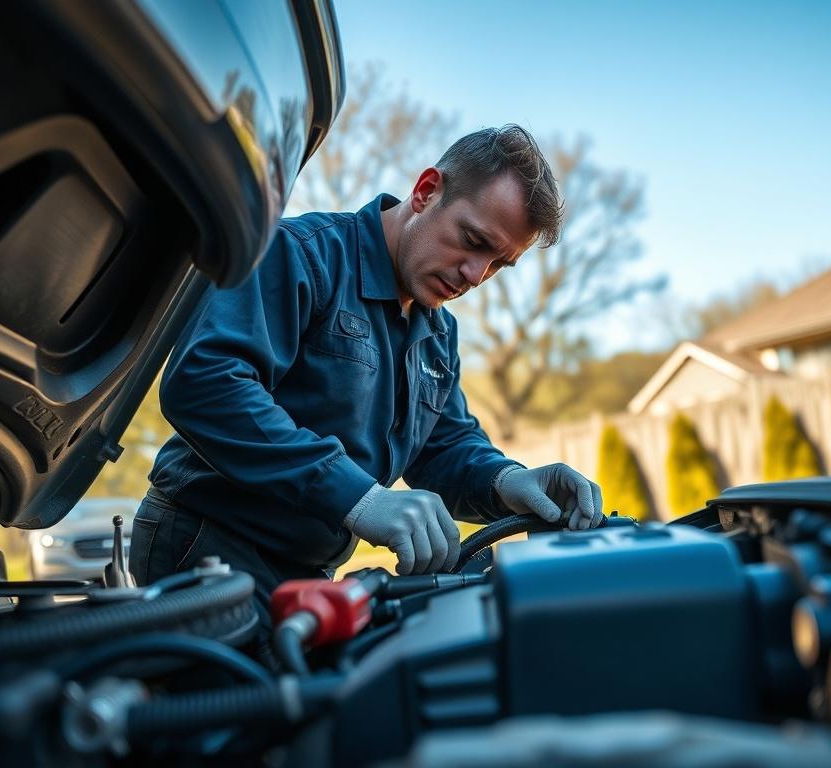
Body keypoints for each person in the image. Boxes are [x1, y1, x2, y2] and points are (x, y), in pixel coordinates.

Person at [128, 124, 603, 627]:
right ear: (425, 192)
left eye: (498, 264)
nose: (475, 275)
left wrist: (507, 480)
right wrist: (357, 496)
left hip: (307, 573)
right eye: (472, 240)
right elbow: (206, 382)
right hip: (207, 546)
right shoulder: (301, 255)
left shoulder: (437, 334)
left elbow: (444, 447)